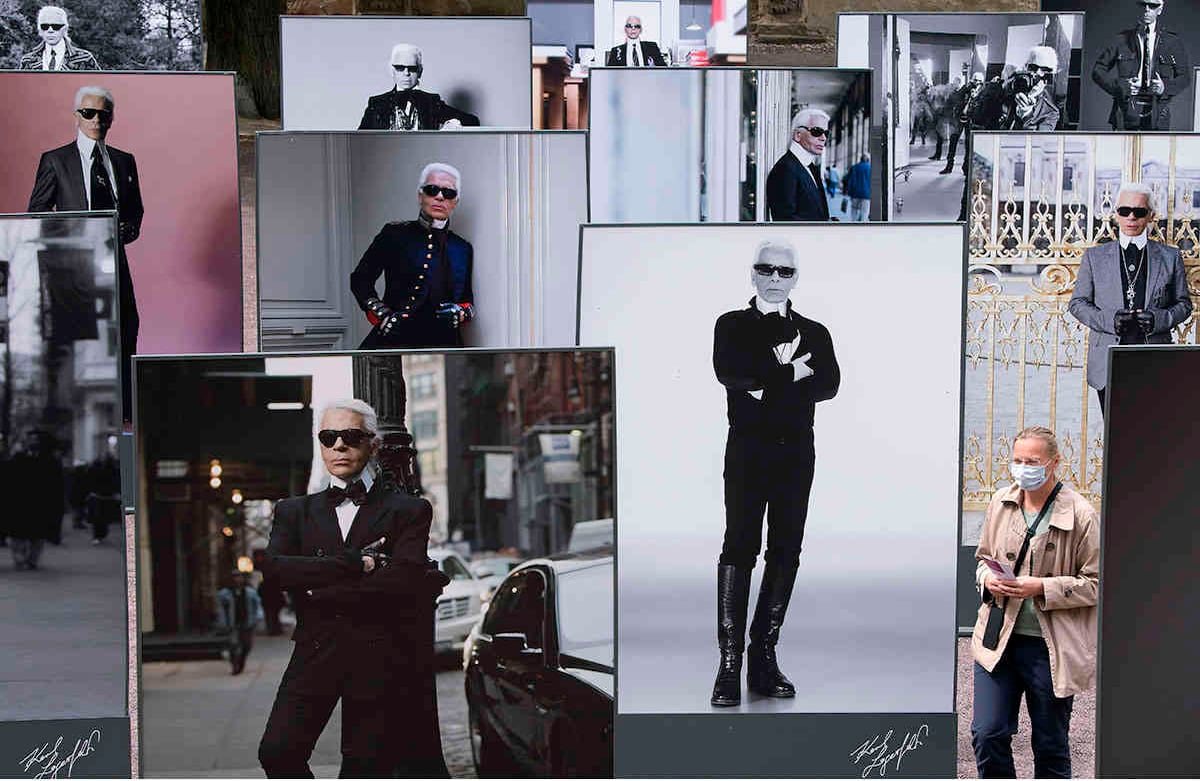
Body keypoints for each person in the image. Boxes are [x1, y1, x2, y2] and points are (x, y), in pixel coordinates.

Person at [257, 399, 449, 777]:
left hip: (377, 654)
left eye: (350, 436)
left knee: (364, 768)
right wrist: (354, 565)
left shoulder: (409, 511)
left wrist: (317, 585)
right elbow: (275, 571)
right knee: (278, 752)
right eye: (329, 438)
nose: (339, 446)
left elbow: (402, 581)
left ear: (373, 444)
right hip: (315, 650)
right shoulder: (293, 511)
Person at [709, 241, 840, 707]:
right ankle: (729, 663)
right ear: (753, 273)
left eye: (784, 271)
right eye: (766, 269)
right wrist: (790, 372)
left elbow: (829, 385)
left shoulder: (814, 331)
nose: (774, 277)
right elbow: (732, 375)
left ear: (795, 278)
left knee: (786, 548)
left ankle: (764, 656)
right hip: (747, 452)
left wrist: (769, 381)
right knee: (739, 545)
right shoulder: (732, 325)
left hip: (796, 455)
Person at [971, 426, 1099, 778]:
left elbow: (1097, 585)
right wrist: (988, 578)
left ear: (1054, 463)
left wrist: (1041, 587)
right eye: (1017, 460)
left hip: (1050, 646)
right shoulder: (1000, 502)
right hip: (998, 640)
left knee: (1050, 744)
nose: (1023, 467)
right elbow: (982, 558)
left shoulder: (1081, 515)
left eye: (1032, 461)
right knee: (987, 733)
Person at [28, 86, 143, 423]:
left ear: (112, 117)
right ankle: (70, 415)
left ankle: (124, 413)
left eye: (103, 114)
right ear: (76, 116)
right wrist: (72, 237)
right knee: (77, 335)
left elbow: (135, 214)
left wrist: (126, 231)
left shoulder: (124, 161)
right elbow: (37, 214)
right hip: (75, 264)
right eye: (89, 113)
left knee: (125, 328)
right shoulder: (55, 160)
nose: (97, 120)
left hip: (113, 262)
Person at [1068, 183, 1192, 416]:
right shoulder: (1095, 256)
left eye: (1139, 211)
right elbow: (1077, 303)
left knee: (1153, 431)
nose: (1131, 217)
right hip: (1108, 360)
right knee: (1116, 433)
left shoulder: (1170, 256)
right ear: (1116, 215)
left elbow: (1184, 305)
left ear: (1151, 216)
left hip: (1155, 357)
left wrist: (1160, 319)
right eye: (1124, 211)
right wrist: (1108, 320)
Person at [350, 162, 475, 349]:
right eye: (432, 190)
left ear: (455, 202)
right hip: (395, 339)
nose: (440, 197)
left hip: (444, 343)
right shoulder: (394, 234)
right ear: (420, 195)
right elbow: (360, 279)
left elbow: (467, 301)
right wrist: (383, 314)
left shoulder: (462, 248)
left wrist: (461, 312)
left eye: (449, 193)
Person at [1092, 0, 1191, 131]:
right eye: (1143, 5)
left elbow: (1185, 77)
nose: (1147, 9)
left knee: (1155, 151)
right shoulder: (1120, 40)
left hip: (1158, 113)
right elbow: (1098, 71)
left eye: (1153, 6)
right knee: (1123, 151)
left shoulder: (1172, 42)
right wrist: (1121, 86)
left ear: (1160, 9)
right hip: (1125, 110)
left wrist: (1164, 88)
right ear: (1138, 7)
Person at [358, 44, 480, 130]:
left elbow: (472, 121)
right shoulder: (377, 103)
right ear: (392, 71)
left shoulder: (431, 102)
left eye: (412, 69)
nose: (406, 73)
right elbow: (359, 139)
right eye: (400, 68)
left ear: (420, 71)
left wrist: (453, 124)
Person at [6, 432, 65, 571]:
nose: (32, 442)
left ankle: (32, 559)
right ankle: (20, 557)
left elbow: (55, 484)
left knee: (37, 533)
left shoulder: (49, 460)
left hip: (39, 503)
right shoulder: (18, 458)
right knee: (18, 533)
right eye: (30, 439)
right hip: (20, 502)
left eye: (34, 439)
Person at [765, 108, 833, 222]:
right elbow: (785, 221)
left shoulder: (810, 166)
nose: (823, 138)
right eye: (817, 132)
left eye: (826, 133)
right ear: (797, 135)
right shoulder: (785, 170)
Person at [18, 6, 100, 71]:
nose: (50, 30)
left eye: (56, 26)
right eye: (45, 26)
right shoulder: (28, 60)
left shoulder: (85, 59)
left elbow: (97, 89)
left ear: (64, 29)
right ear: (40, 30)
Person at [216, 570, 263, 675]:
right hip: (233, 624)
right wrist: (223, 623)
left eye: (239, 577)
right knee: (233, 645)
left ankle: (241, 661)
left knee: (247, 645)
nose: (237, 579)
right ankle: (235, 666)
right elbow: (221, 609)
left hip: (247, 622)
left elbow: (257, 605)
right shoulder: (225, 594)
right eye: (235, 577)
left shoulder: (250, 592)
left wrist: (258, 617)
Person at [940, 72, 985, 176]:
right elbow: (956, 98)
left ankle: (966, 167)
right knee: (953, 142)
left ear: (981, 82)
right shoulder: (965, 88)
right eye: (974, 80)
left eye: (978, 81)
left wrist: (976, 95)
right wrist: (966, 89)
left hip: (971, 120)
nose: (976, 83)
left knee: (968, 145)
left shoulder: (982, 92)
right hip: (959, 118)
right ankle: (949, 166)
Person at [1009, 46, 1062, 131]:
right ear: (1026, 67)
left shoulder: (1050, 112)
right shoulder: (1009, 90)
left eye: (1044, 70)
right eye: (1033, 67)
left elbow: (1038, 140)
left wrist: (1027, 115)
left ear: (1049, 77)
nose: (1037, 73)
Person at [845, 152, 871, 222]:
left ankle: (854, 225)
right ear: (868, 159)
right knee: (864, 213)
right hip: (866, 194)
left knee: (854, 211)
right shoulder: (870, 168)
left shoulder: (854, 167)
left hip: (855, 193)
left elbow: (850, 180)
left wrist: (849, 192)